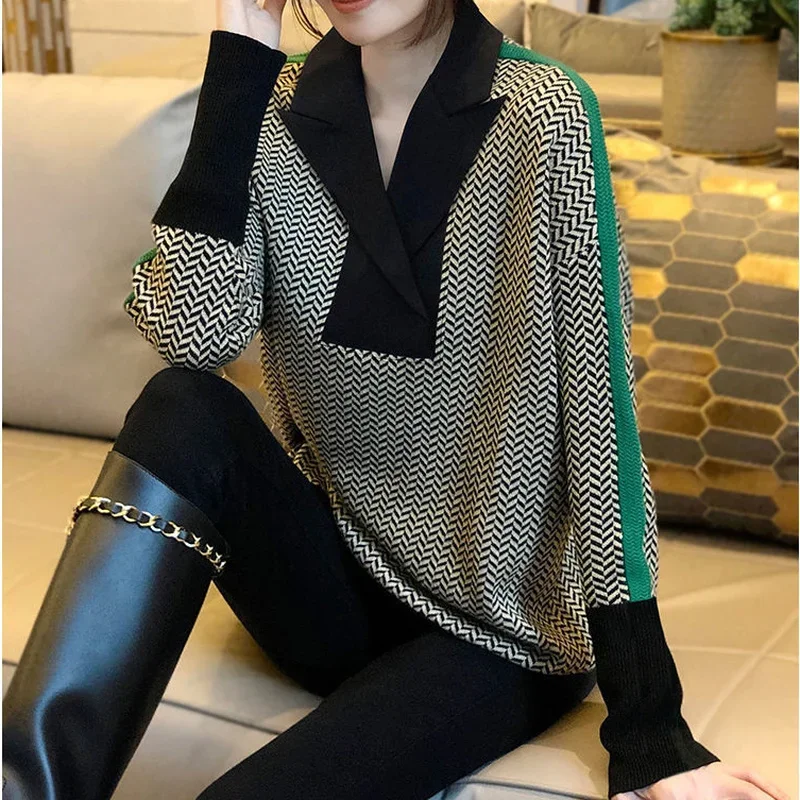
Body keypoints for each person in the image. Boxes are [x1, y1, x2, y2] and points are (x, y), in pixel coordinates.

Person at [2, 1, 791, 799]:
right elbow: (191, 336)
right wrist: (238, 60)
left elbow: (600, 422)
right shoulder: (271, 105)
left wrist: (651, 727)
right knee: (183, 406)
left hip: (501, 629)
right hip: (334, 598)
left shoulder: (544, 114)